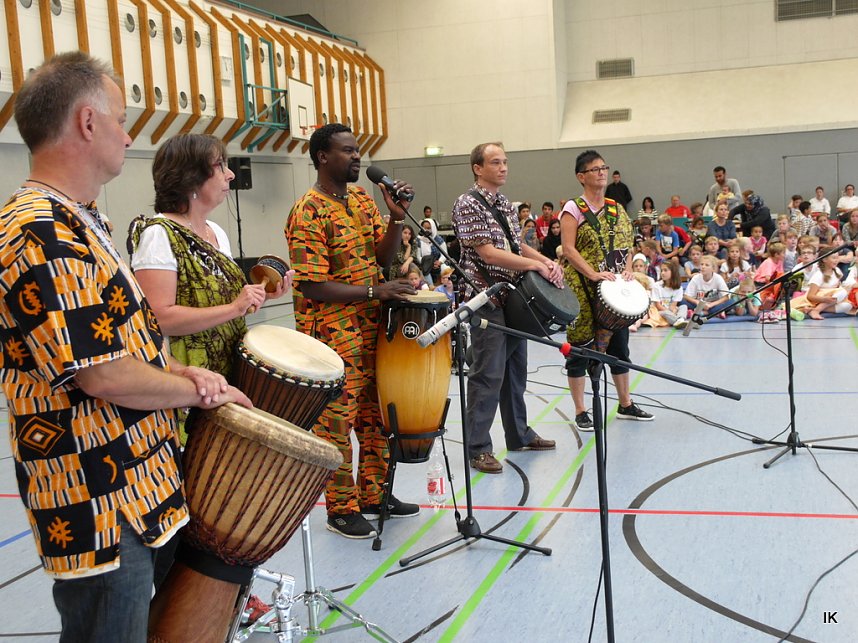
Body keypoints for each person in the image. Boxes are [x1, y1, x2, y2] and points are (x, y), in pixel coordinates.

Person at [0, 52, 250, 641]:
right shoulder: (40, 230)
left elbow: (125, 342)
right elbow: (102, 375)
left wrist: (182, 378)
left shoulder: (84, 220)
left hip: (140, 484)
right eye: (119, 119)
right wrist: (202, 389)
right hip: (98, 497)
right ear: (87, 123)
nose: (129, 135)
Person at [285, 123, 419, 539]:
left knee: (376, 417)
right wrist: (375, 291)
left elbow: (382, 256)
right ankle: (340, 509)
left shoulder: (361, 199)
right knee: (337, 424)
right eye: (347, 150)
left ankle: (374, 495)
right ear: (323, 157)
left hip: (371, 327)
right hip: (332, 335)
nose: (357, 156)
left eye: (357, 149)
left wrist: (396, 219)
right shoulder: (308, 211)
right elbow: (312, 285)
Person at [128, 133, 291, 445]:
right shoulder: (159, 235)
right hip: (191, 379)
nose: (230, 174)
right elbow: (158, 318)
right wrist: (234, 307)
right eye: (220, 166)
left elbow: (221, 308)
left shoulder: (215, 231)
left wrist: (259, 297)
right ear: (191, 176)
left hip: (227, 367)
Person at [451, 141, 560, 474]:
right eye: (496, 162)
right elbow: (488, 253)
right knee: (488, 374)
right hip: (485, 297)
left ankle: (519, 434)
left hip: (512, 296)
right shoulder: (467, 203)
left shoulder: (505, 204)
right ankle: (478, 448)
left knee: (515, 370)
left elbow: (516, 246)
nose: (503, 167)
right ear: (478, 168)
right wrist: (534, 266)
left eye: (505, 162)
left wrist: (546, 261)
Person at [559, 149, 654, 432]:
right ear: (581, 176)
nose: (602, 173)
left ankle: (625, 404)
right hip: (582, 288)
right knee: (579, 350)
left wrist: (627, 270)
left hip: (613, 291)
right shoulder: (573, 209)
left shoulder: (616, 208)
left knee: (619, 348)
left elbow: (626, 246)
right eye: (595, 169)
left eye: (604, 168)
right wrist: (591, 273)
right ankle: (581, 410)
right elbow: (568, 249)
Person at [651, 260, 688, 328]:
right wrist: (671, 312)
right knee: (666, 313)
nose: (662, 273)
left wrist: (673, 310)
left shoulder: (679, 288)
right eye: (661, 270)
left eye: (665, 270)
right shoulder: (657, 286)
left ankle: (680, 320)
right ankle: (679, 321)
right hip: (661, 311)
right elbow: (658, 306)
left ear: (673, 272)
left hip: (671, 312)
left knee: (684, 306)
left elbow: (673, 305)